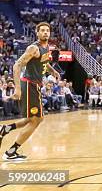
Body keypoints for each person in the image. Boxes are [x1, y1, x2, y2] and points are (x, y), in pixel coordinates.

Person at [0, 22, 61, 161]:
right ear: (37, 33)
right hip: (29, 85)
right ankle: (11, 152)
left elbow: (44, 63)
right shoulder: (34, 48)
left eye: (47, 30)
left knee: (30, 119)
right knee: (38, 119)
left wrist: (53, 71)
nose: (45, 33)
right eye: (42, 31)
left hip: (35, 85)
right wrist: (17, 88)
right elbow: (17, 65)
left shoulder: (46, 48)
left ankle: (5, 129)